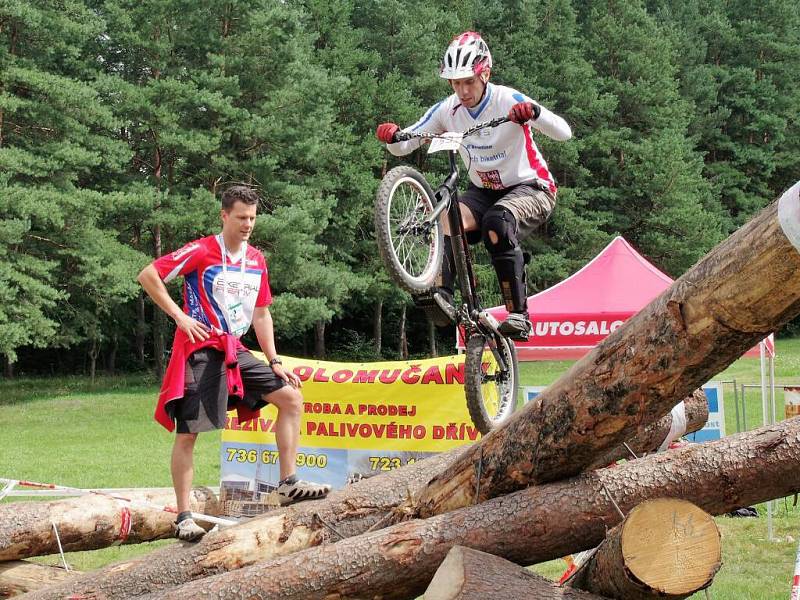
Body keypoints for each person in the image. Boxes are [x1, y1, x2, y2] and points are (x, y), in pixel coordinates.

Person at [137, 185, 330, 542]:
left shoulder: (257, 259)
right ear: (224, 215)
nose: (248, 224)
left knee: (290, 398)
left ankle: (288, 484)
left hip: (234, 350)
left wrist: (273, 360)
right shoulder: (202, 250)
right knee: (188, 433)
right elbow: (149, 275)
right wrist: (179, 316)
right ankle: (183, 517)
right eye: (241, 217)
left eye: (253, 218)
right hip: (200, 347)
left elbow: (261, 314)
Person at [376, 31, 572, 340]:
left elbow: (564, 132)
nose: (463, 91)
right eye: (456, 83)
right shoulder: (447, 110)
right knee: (447, 215)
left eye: (469, 81)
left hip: (532, 187)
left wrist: (533, 113)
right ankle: (441, 294)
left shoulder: (507, 99)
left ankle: (519, 314)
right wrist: (391, 136)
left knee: (498, 221)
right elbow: (406, 143)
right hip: (483, 191)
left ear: (485, 74)